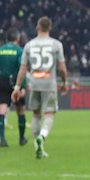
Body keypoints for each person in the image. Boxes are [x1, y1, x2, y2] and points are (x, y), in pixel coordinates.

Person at [13, 17, 68, 159]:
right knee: (49, 114)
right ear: (50, 28)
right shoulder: (57, 45)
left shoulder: (29, 45)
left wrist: (17, 87)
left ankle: (38, 147)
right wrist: (64, 82)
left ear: (37, 27)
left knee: (36, 115)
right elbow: (62, 67)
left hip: (34, 84)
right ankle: (42, 137)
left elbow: (23, 69)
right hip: (49, 84)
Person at [0, 29, 25, 147]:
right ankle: (21, 138)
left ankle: (3, 140)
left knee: (2, 111)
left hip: (3, 82)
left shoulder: (0, 50)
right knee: (20, 111)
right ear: (17, 38)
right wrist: (22, 86)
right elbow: (22, 69)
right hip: (16, 83)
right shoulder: (19, 51)